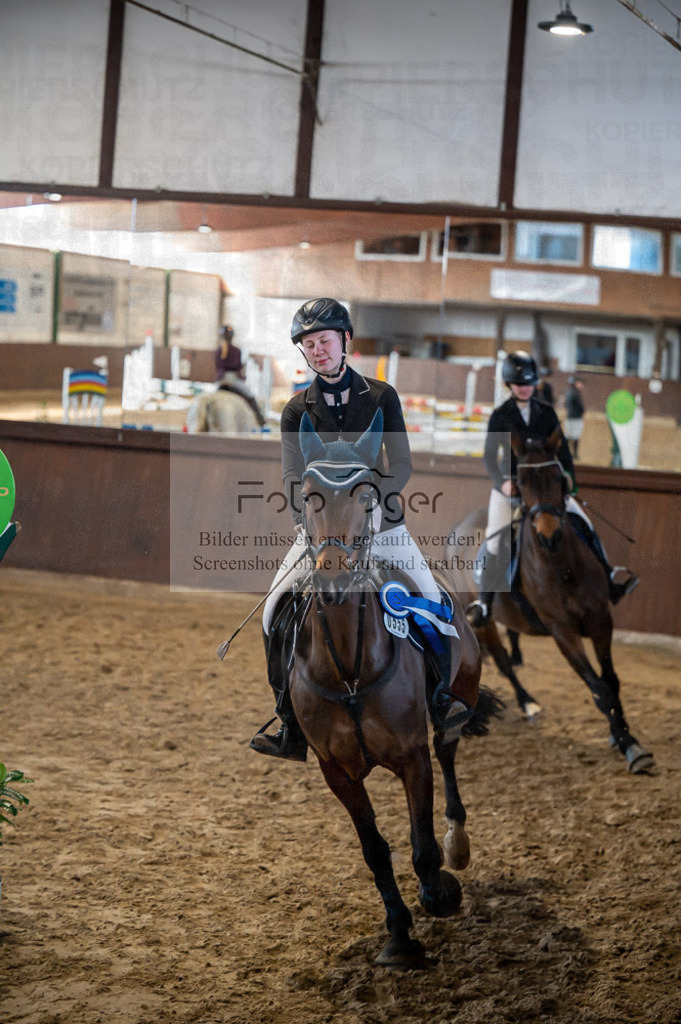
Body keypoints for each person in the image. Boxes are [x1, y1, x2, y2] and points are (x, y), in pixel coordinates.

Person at [250, 297, 467, 761]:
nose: (318, 351)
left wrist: (371, 509)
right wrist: (307, 525)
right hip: (320, 534)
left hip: (381, 528)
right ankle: (289, 721)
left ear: (345, 341)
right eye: (309, 345)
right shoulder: (295, 410)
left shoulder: (382, 397)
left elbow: (402, 464)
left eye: (324, 341)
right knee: (272, 613)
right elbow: (291, 477)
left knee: (435, 605)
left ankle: (442, 702)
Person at [466, 351, 638, 628]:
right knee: (496, 539)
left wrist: (568, 480)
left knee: (585, 524)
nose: (525, 388)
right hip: (510, 490)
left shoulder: (546, 413)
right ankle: (485, 602)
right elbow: (488, 455)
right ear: (509, 385)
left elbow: (564, 452)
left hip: (547, 491)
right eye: (520, 384)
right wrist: (503, 482)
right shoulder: (501, 416)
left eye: (529, 383)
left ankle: (609, 578)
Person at [187, 343, 265, 433]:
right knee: (250, 395)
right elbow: (237, 367)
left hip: (220, 379)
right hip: (232, 378)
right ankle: (260, 418)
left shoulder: (219, 350)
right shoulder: (236, 350)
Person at [563, 375, 585, 459]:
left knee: (568, 435)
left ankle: (566, 453)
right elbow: (580, 406)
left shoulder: (568, 392)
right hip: (576, 417)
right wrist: (582, 411)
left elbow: (566, 404)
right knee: (576, 436)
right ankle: (575, 454)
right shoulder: (576, 393)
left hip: (569, 416)